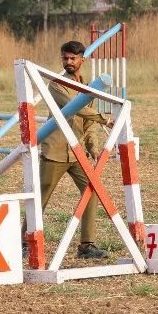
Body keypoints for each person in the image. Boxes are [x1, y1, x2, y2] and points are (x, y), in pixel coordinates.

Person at [34, 39, 111, 259]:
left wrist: (93, 148)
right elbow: (73, 109)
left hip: (77, 152)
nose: (68, 62)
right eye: (65, 58)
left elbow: (88, 125)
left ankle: (86, 246)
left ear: (82, 60)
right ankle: (25, 242)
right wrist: (105, 119)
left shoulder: (89, 87)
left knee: (92, 190)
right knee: (41, 198)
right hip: (55, 149)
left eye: (72, 58)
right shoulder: (56, 84)